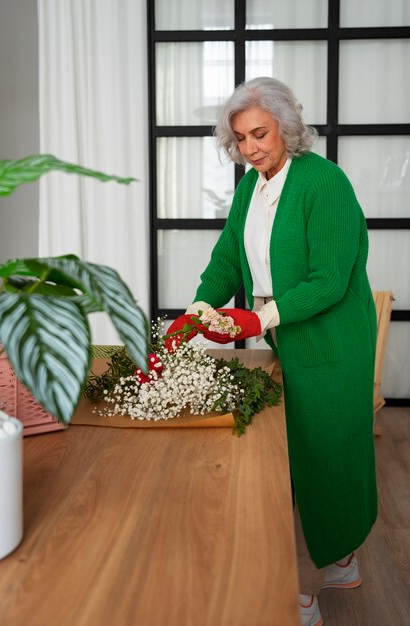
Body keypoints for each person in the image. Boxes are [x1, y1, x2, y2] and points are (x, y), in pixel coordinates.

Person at [166, 76, 377, 626]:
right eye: (240, 139)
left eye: (260, 133)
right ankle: (340, 561)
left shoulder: (323, 183)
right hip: (286, 332)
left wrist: (257, 317)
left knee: (320, 453)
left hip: (331, 340)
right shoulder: (252, 188)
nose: (251, 147)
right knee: (298, 452)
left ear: (286, 126)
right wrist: (195, 312)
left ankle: (299, 588)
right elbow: (228, 261)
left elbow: (329, 280)